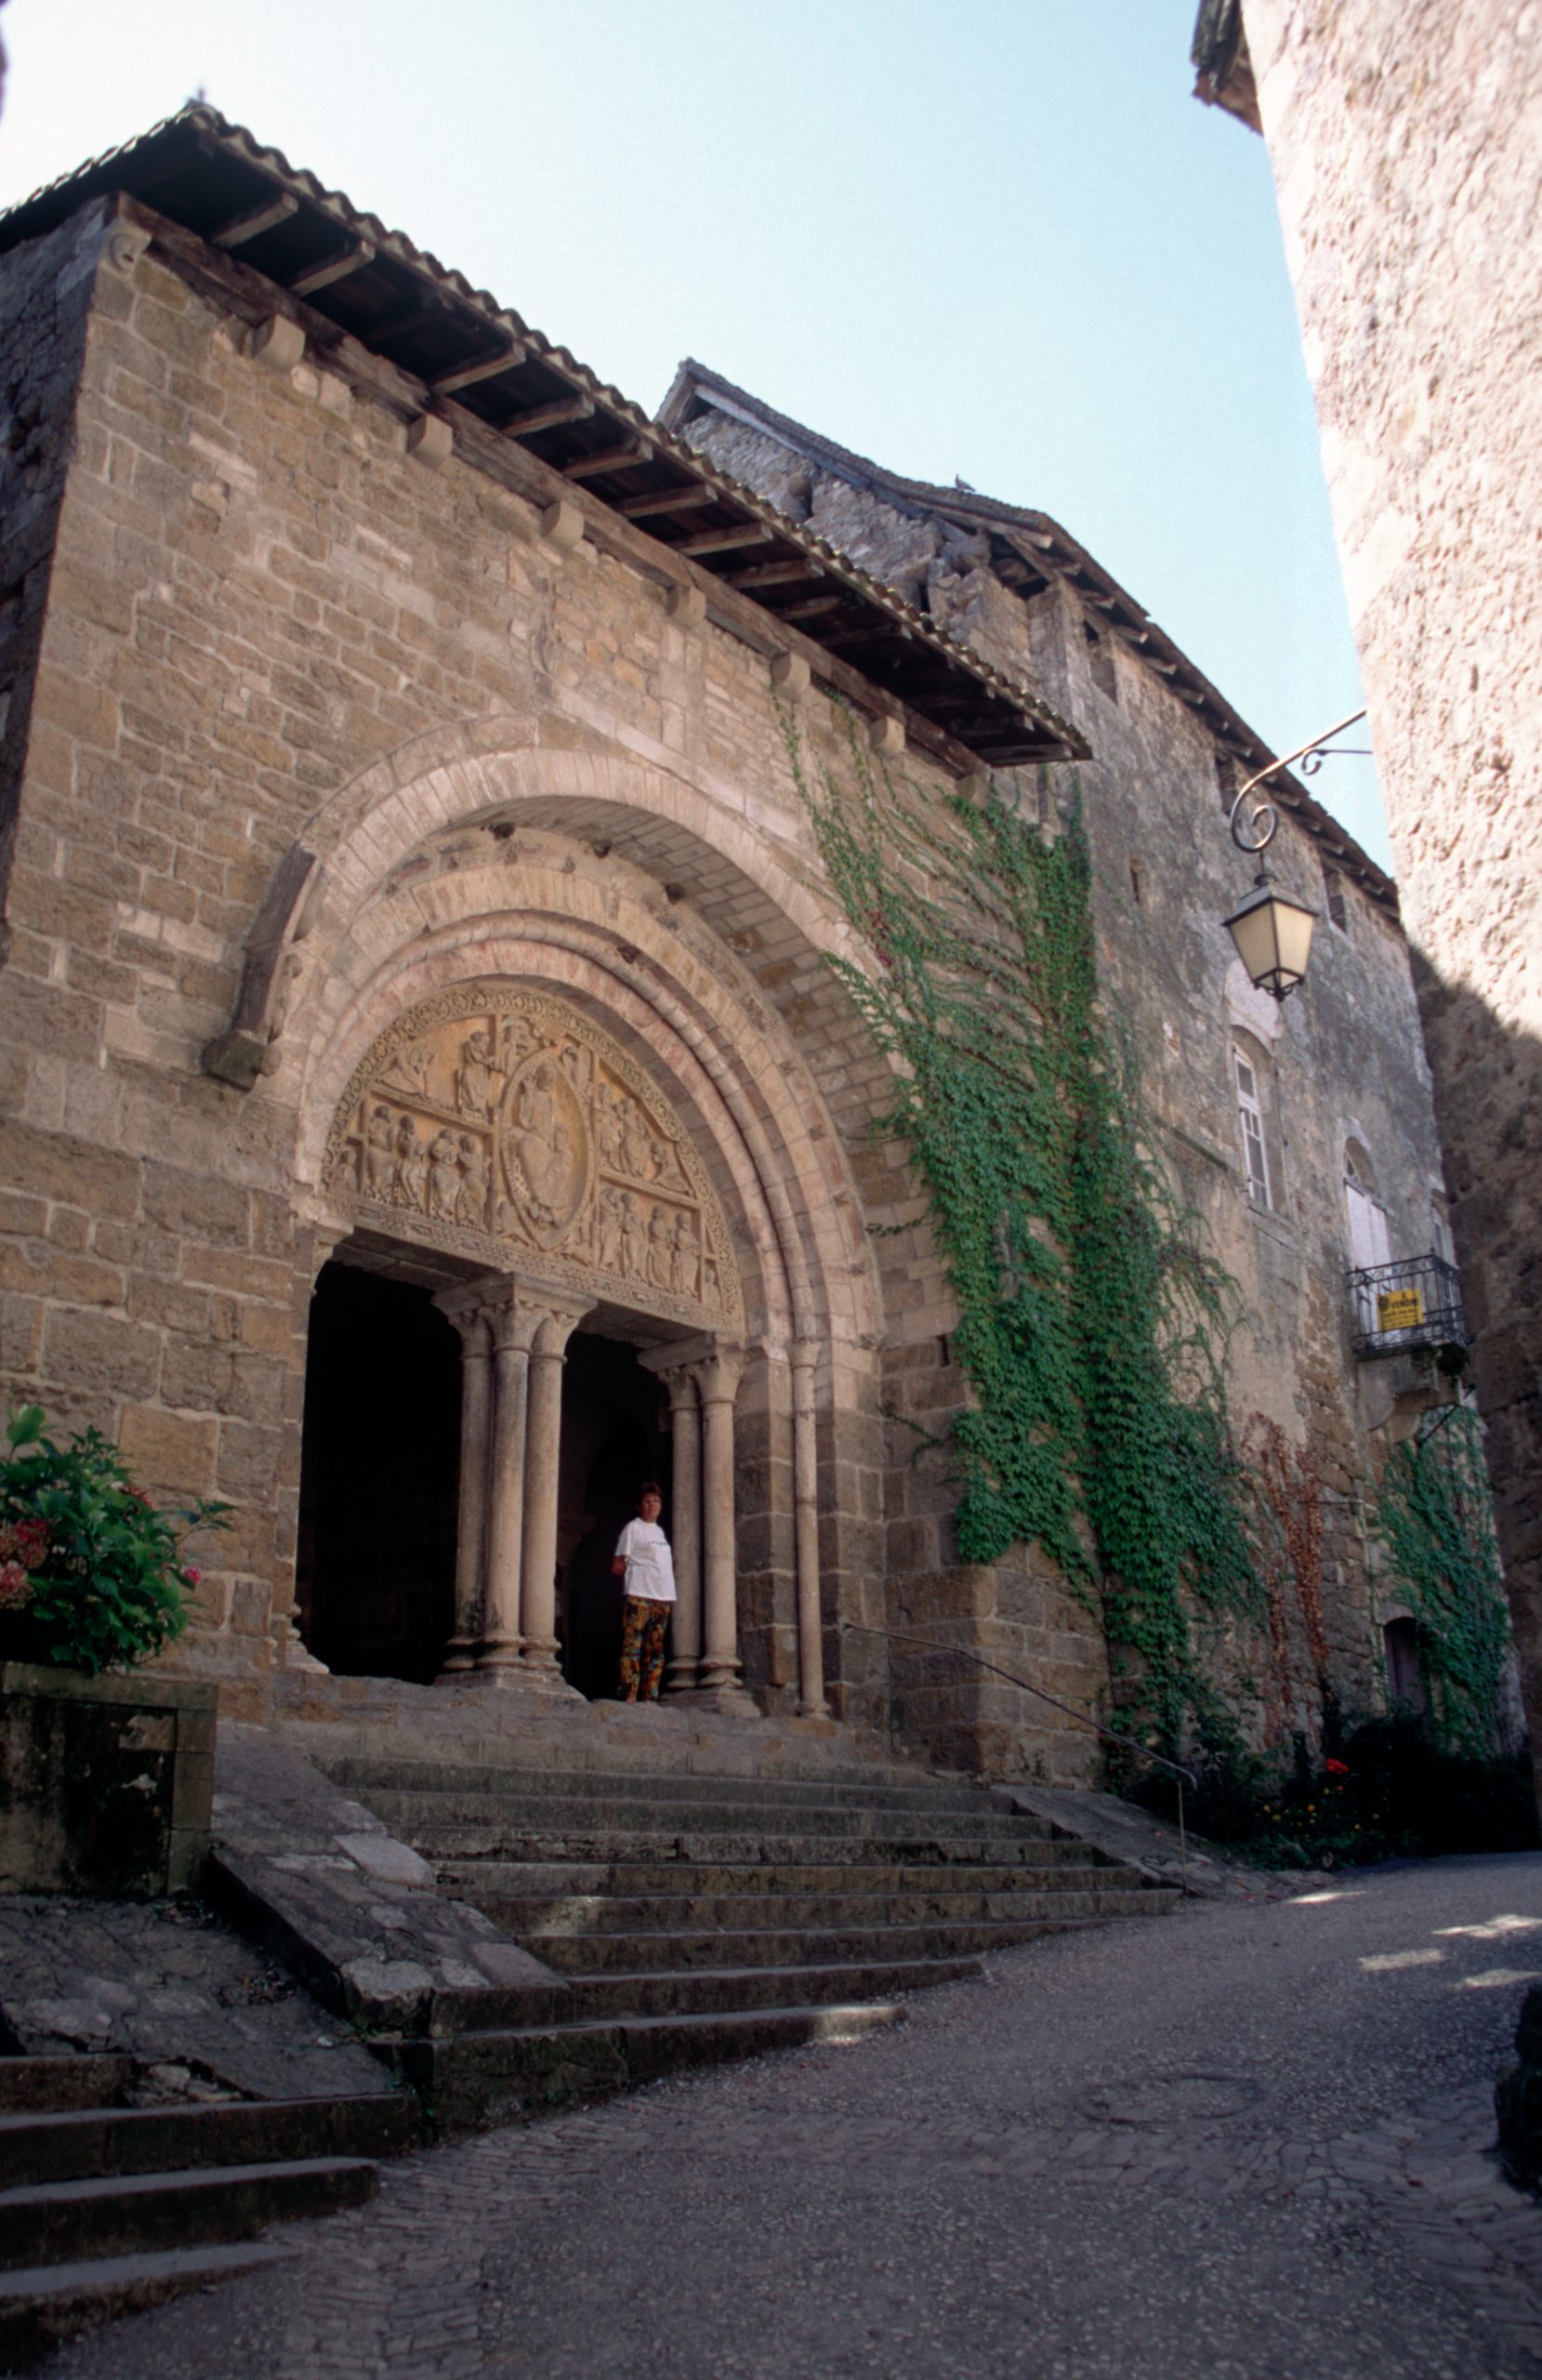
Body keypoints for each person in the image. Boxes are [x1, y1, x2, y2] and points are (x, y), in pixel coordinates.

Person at [611, 1481, 675, 1702]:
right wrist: (637, 1578)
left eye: (656, 1501)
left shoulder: (660, 1532)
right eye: (647, 1501)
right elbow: (618, 1564)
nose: (652, 1505)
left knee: (655, 1649)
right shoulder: (633, 1528)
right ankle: (629, 1692)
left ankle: (650, 1694)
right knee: (633, 1645)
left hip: (663, 1598)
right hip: (639, 1596)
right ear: (639, 1506)